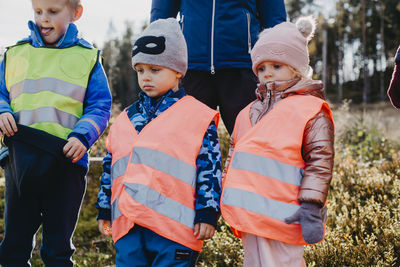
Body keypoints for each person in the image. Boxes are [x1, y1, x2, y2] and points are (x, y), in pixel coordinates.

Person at [96, 18, 222, 267]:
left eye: (155, 70)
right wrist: (103, 209)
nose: (146, 78)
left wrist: (207, 213)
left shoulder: (197, 116)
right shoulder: (125, 119)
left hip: (174, 229)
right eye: (140, 70)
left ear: (178, 71)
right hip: (129, 227)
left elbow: (210, 168)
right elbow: (110, 167)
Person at [0, 0, 112, 265]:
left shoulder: (88, 57)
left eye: (53, 11)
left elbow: (100, 106)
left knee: (57, 248)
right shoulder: (15, 53)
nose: (43, 19)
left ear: (76, 13)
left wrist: (82, 136)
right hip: (20, 159)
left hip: (66, 161)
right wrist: (2, 110)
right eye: (38, 11)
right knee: (13, 246)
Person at [220, 16, 335, 266]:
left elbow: (320, 161)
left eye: (276, 65)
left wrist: (312, 206)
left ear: (296, 68)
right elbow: (233, 158)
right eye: (261, 68)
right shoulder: (246, 113)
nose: (267, 73)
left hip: (287, 215)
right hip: (250, 216)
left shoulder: (311, 109)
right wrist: (224, 194)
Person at [150, 0, 287, 135]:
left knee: (252, 141)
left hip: (242, 66)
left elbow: (274, 17)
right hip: (191, 68)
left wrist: (278, 62)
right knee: (187, 142)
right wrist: (155, 58)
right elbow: (161, 15)